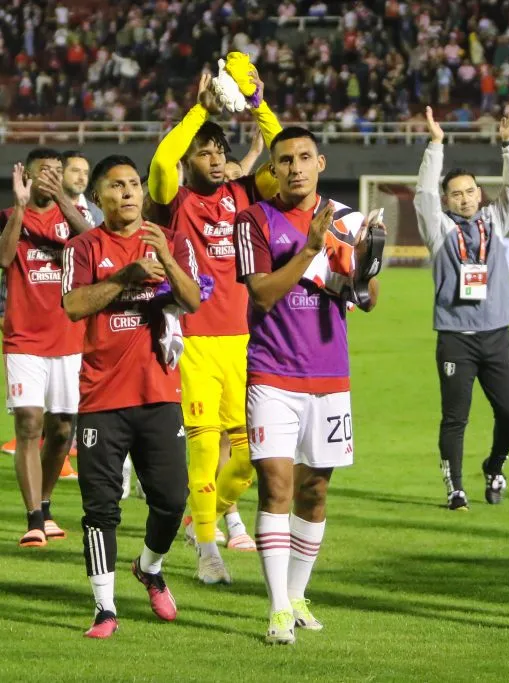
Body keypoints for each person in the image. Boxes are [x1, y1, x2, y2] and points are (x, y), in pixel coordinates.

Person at [235, 126, 382, 644]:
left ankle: (297, 594)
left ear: (320, 162)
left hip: (329, 376)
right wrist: (311, 249)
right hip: (271, 373)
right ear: (271, 169)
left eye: (303, 157)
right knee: (276, 485)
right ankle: (276, 609)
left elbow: (368, 299)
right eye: (284, 160)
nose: (294, 167)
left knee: (315, 491)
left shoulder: (349, 219)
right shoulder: (253, 219)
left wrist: (362, 266)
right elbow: (262, 295)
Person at [147, 63, 282, 584]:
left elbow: (280, 155)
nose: (215, 159)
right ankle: (208, 547)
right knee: (204, 447)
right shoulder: (171, 201)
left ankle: (200, 517)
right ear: (189, 160)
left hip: (246, 340)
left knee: (252, 455)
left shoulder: (244, 196)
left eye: (219, 151)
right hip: (196, 341)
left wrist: (257, 105)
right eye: (203, 152)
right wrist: (201, 107)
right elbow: (162, 159)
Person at [62, 154, 202, 638]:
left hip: (160, 393)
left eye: (132, 185)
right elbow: (73, 306)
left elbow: (193, 300)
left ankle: (149, 566)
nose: (126, 193)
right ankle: (104, 608)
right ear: (98, 198)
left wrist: (163, 258)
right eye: (115, 186)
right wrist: (125, 277)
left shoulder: (174, 241)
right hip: (101, 398)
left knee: (170, 498)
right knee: (100, 507)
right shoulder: (83, 247)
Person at [414, 104, 509, 510]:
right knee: (455, 418)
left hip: (497, 334)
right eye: (456, 194)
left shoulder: (495, 221)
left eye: (470, 191)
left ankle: (495, 466)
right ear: (447, 199)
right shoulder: (438, 229)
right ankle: (455, 488)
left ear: (480, 194)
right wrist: (436, 145)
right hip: (456, 337)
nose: (464, 199)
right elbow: (423, 194)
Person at [0, 150, 89, 547]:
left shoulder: (70, 220)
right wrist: (19, 208)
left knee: (62, 429)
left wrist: (65, 201)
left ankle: (47, 504)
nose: (51, 178)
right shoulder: (8, 217)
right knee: (29, 424)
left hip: (69, 340)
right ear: (29, 178)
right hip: (24, 340)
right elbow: (4, 258)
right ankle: (34, 517)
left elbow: (93, 244)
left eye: (58, 172)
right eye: (44, 173)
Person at [61, 150, 104, 227]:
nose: (82, 178)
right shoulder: (46, 208)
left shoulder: (97, 214)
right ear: (60, 173)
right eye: (75, 171)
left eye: (85, 173)